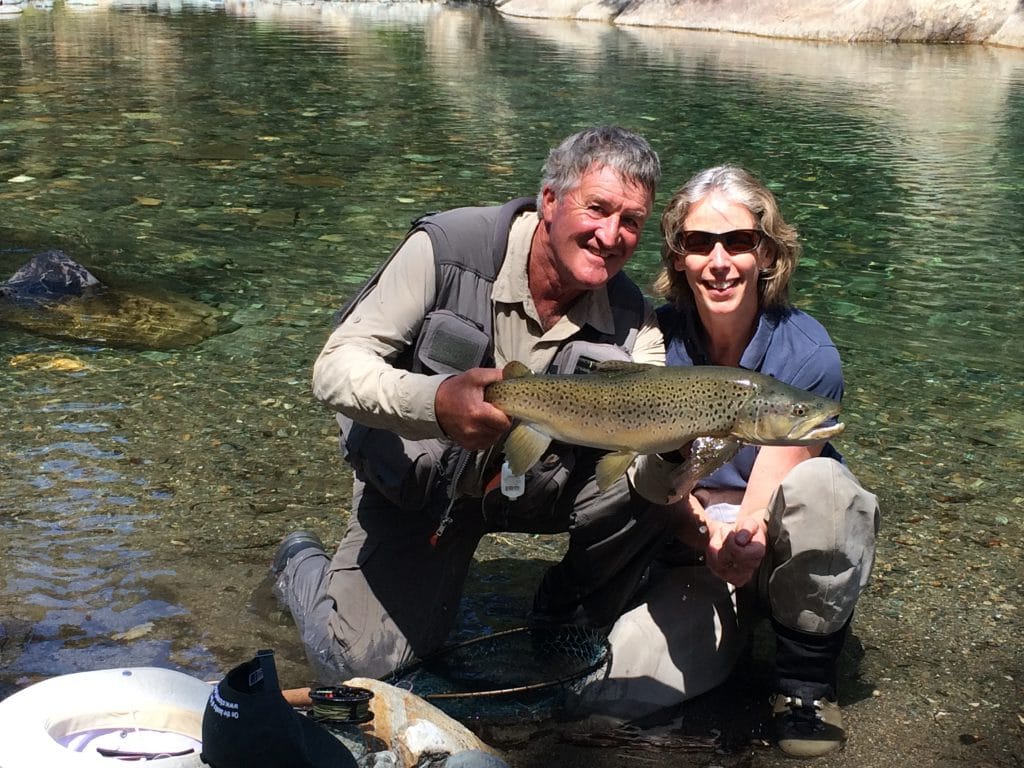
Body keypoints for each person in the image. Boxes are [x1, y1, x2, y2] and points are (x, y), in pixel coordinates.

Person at [272, 126, 670, 687]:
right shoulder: (447, 247)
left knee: (650, 495)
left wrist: (685, 457)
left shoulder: (636, 320)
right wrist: (435, 402)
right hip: (419, 485)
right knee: (359, 668)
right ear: (550, 202)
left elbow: (648, 445)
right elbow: (334, 368)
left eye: (631, 221)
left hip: (530, 487)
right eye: (598, 208)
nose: (611, 235)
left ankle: (566, 621)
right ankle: (300, 567)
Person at [580, 165, 880, 759]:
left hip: (765, 548)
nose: (720, 261)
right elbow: (651, 477)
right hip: (690, 552)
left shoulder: (808, 354)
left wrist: (738, 539)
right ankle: (726, 637)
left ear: (765, 252)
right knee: (609, 699)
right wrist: (702, 535)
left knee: (827, 488)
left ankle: (804, 682)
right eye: (699, 244)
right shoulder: (652, 341)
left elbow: (765, 494)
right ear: (679, 258)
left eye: (738, 242)